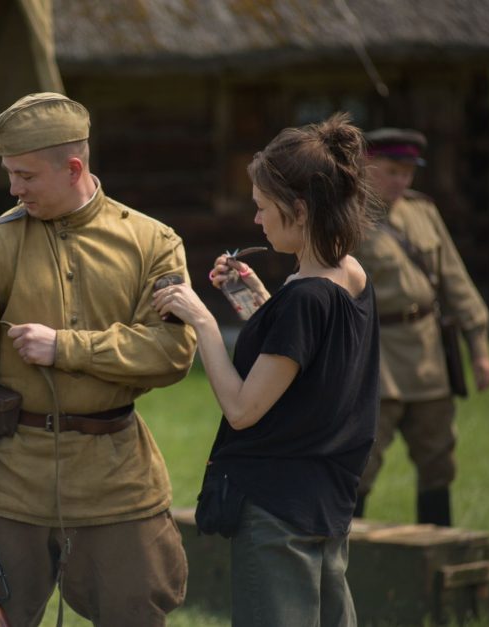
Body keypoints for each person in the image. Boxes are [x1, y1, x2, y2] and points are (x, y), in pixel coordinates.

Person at [0, 93, 197, 626]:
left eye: (26, 175)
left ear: (74, 167)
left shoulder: (153, 242)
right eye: (9, 174)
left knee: (137, 611)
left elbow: (173, 352)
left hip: (118, 482)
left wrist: (67, 347)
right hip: (9, 482)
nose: (14, 189)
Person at [152, 113, 379, 627]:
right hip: (326, 504)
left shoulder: (305, 297)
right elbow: (307, 365)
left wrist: (202, 320)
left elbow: (243, 409)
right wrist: (257, 300)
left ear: (298, 210)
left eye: (263, 208)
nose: (256, 221)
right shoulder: (350, 275)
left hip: (280, 513)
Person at [353, 128, 489, 526]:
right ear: (367, 167)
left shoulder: (423, 213)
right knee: (362, 460)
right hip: (376, 354)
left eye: (408, 173)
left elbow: (455, 281)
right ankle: (350, 557)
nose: (401, 181)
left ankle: (437, 548)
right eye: (392, 171)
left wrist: (479, 348)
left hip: (428, 355)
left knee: (438, 459)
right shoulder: (351, 218)